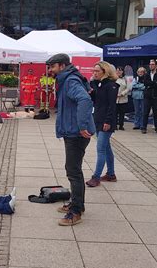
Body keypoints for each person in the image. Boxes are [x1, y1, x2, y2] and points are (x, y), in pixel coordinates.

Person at [46, 53, 95, 226]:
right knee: (73, 169)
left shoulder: (70, 80)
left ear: (61, 66)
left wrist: (82, 125)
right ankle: (75, 204)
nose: (50, 70)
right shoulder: (67, 79)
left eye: (52, 67)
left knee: (73, 171)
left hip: (76, 133)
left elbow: (85, 99)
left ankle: (76, 211)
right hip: (72, 131)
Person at [86, 62, 118, 187]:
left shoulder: (111, 86)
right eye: (93, 71)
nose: (94, 73)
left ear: (105, 72)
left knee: (101, 149)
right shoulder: (97, 84)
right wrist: (92, 93)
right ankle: (111, 174)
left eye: (97, 71)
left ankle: (96, 177)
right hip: (98, 118)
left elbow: (111, 105)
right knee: (107, 148)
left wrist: (108, 121)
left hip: (106, 121)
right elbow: (96, 101)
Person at [141, 59, 157, 134]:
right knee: (145, 112)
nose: (151, 66)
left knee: (156, 113)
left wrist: (151, 84)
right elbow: (145, 83)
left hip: (156, 96)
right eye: (150, 64)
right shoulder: (147, 74)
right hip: (147, 96)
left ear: (156, 65)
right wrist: (154, 83)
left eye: (153, 64)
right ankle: (144, 127)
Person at [115, 66, 130, 131]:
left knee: (122, 113)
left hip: (123, 98)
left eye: (120, 70)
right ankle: (114, 125)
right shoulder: (114, 78)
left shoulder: (126, 79)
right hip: (115, 99)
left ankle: (121, 125)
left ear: (122, 71)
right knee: (114, 113)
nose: (118, 72)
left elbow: (128, 88)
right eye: (117, 70)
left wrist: (122, 93)